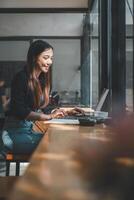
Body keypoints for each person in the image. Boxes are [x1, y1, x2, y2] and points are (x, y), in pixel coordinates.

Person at [0, 40, 85, 156]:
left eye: (51, 58)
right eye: (46, 57)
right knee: (58, 143)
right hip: (12, 135)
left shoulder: (42, 80)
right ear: (34, 57)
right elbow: (19, 110)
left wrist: (65, 111)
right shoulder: (21, 78)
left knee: (61, 140)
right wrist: (49, 116)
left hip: (27, 131)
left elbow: (44, 108)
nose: (50, 62)